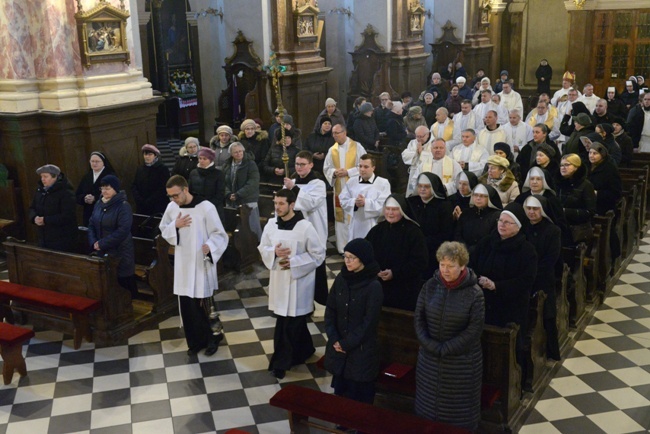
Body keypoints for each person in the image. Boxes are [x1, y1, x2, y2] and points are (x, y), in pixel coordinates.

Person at [414, 242, 484, 432]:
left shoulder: (474, 294)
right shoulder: (430, 286)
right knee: (427, 415)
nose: (445, 270)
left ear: (462, 266)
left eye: (451, 266)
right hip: (429, 361)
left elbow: (474, 331)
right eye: (442, 265)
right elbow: (419, 319)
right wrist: (429, 345)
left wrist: (445, 349)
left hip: (461, 366)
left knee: (456, 420)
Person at [258, 189, 326, 379]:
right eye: (275, 203)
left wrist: (294, 262)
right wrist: (273, 253)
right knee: (290, 321)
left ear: (292, 205)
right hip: (279, 282)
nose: (277, 207)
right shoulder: (271, 225)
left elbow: (318, 254)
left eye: (281, 203)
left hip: (299, 283)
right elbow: (263, 247)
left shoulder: (305, 227)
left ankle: (280, 363)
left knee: (288, 324)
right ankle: (305, 349)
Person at [159, 175, 229, 356]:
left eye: (175, 195)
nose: (173, 200)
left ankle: (214, 337)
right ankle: (195, 341)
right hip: (183, 263)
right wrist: (175, 224)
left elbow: (220, 234)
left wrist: (211, 246)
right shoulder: (172, 207)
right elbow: (163, 227)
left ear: (185, 189)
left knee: (205, 304)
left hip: (201, 263)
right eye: (170, 196)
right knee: (188, 305)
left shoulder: (205, 207)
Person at [470, 202, 538, 377]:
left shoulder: (527, 250)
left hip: (510, 307)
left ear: (518, 227)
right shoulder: (487, 242)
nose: (502, 224)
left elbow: (526, 281)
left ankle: (514, 380)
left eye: (508, 222)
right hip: (483, 302)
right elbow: (472, 265)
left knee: (508, 347)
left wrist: (496, 286)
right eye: (501, 220)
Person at [324, 238, 383, 404]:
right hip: (339, 348)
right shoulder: (341, 279)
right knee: (341, 397)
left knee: (358, 400)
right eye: (345, 256)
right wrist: (334, 339)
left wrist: (346, 343)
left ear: (363, 259)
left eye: (352, 257)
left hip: (360, 352)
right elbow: (330, 310)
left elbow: (369, 323)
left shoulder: (373, 286)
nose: (347, 261)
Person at [365, 194, 428, 311]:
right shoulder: (376, 230)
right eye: (387, 209)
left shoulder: (414, 232)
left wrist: (395, 273)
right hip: (378, 286)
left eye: (394, 209)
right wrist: (375, 270)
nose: (390, 213)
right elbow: (365, 255)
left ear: (403, 211)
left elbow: (420, 262)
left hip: (404, 289)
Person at [283, 150, 329, 304]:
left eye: (303, 164)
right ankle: (301, 301)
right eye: (297, 164)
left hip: (314, 229)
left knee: (316, 264)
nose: (299, 167)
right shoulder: (293, 181)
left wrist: (293, 189)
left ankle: (320, 301)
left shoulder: (318, 183)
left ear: (311, 164)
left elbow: (310, 203)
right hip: (296, 230)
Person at [523, 195, 562, 361]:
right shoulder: (522, 227)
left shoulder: (553, 230)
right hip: (525, 278)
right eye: (529, 209)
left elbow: (550, 260)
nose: (532, 212)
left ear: (543, 210)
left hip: (544, 279)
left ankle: (553, 351)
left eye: (535, 209)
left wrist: (532, 274)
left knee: (548, 316)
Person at [88, 175, 137, 299]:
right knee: (107, 280)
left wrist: (102, 243)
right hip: (102, 250)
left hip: (120, 250)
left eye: (107, 189)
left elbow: (123, 230)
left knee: (123, 279)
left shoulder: (123, 206)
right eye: (102, 188)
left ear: (115, 189)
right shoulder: (99, 203)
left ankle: (128, 305)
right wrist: (94, 242)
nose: (104, 192)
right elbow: (91, 224)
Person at [324, 124, 366, 253]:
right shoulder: (332, 150)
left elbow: (364, 166)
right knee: (341, 218)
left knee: (354, 217)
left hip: (354, 189)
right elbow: (326, 168)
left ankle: (357, 247)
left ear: (345, 132)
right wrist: (334, 173)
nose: (335, 136)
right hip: (339, 189)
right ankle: (343, 249)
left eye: (337, 133)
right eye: (333, 133)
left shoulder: (357, 147)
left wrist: (348, 172)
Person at [407, 173, 454, 278]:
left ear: (434, 188)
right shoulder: (411, 202)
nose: (422, 189)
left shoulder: (444, 206)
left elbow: (446, 233)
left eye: (427, 187)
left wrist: (423, 242)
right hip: (412, 249)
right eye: (420, 186)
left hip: (434, 250)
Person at [339, 154, 391, 242]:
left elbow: (385, 205)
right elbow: (343, 200)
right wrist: (354, 202)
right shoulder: (352, 181)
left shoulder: (383, 183)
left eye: (366, 167)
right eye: (360, 166)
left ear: (373, 168)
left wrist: (365, 203)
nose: (362, 169)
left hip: (373, 224)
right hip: (355, 223)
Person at [29, 164, 77, 252]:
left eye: (45, 176)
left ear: (55, 177)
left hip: (61, 238)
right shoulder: (40, 190)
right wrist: (34, 218)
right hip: (43, 236)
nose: (42, 179)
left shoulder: (66, 192)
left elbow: (67, 216)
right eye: (41, 176)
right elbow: (32, 208)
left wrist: (45, 220)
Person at [588, 142, 622, 262]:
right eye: (590, 153)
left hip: (604, 207)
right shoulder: (587, 167)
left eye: (595, 153)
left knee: (606, 230)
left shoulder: (609, 169)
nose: (591, 156)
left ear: (602, 155)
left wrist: (598, 193)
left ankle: (612, 256)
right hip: (590, 204)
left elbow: (616, 193)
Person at [223, 142, 262, 241]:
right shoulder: (227, 165)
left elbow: (253, 182)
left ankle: (256, 247)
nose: (239, 154)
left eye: (240, 151)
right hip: (231, 200)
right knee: (235, 228)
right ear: (231, 154)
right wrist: (228, 194)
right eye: (235, 152)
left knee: (252, 228)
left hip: (248, 199)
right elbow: (223, 182)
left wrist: (238, 194)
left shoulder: (250, 164)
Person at [556, 154, 596, 244]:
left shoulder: (586, 185)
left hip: (577, 229)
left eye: (567, 165)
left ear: (576, 167)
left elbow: (590, 212)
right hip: (560, 226)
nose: (563, 168)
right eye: (561, 165)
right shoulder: (558, 184)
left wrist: (565, 211)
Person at [454, 184, 502, 254]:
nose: (478, 198)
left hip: (485, 255)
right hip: (464, 254)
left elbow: (493, 239)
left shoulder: (496, 216)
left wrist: (474, 250)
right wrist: (464, 248)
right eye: (476, 195)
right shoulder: (466, 213)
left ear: (490, 198)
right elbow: (458, 234)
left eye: (482, 196)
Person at [75, 151, 116, 226]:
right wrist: (84, 198)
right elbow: (77, 194)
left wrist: (95, 198)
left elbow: (114, 195)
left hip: (105, 213)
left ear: (103, 162)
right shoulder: (87, 177)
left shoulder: (110, 176)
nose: (94, 163)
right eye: (92, 161)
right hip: (89, 214)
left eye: (97, 161)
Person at [188, 147, 226, 222]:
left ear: (210, 160)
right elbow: (190, 191)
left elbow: (220, 194)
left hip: (214, 208)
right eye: (200, 158)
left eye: (204, 159)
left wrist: (206, 205)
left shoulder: (218, 174)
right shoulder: (193, 173)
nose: (201, 161)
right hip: (197, 208)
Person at [132, 144, 170, 216]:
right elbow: (134, 185)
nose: (147, 157)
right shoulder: (140, 168)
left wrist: (149, 200)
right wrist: (138, 198)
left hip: (157, 205)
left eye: (150, 154)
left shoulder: (162, 169)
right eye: (145, 154)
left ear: (155, 155)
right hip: (142, 205)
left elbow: (163, 188)